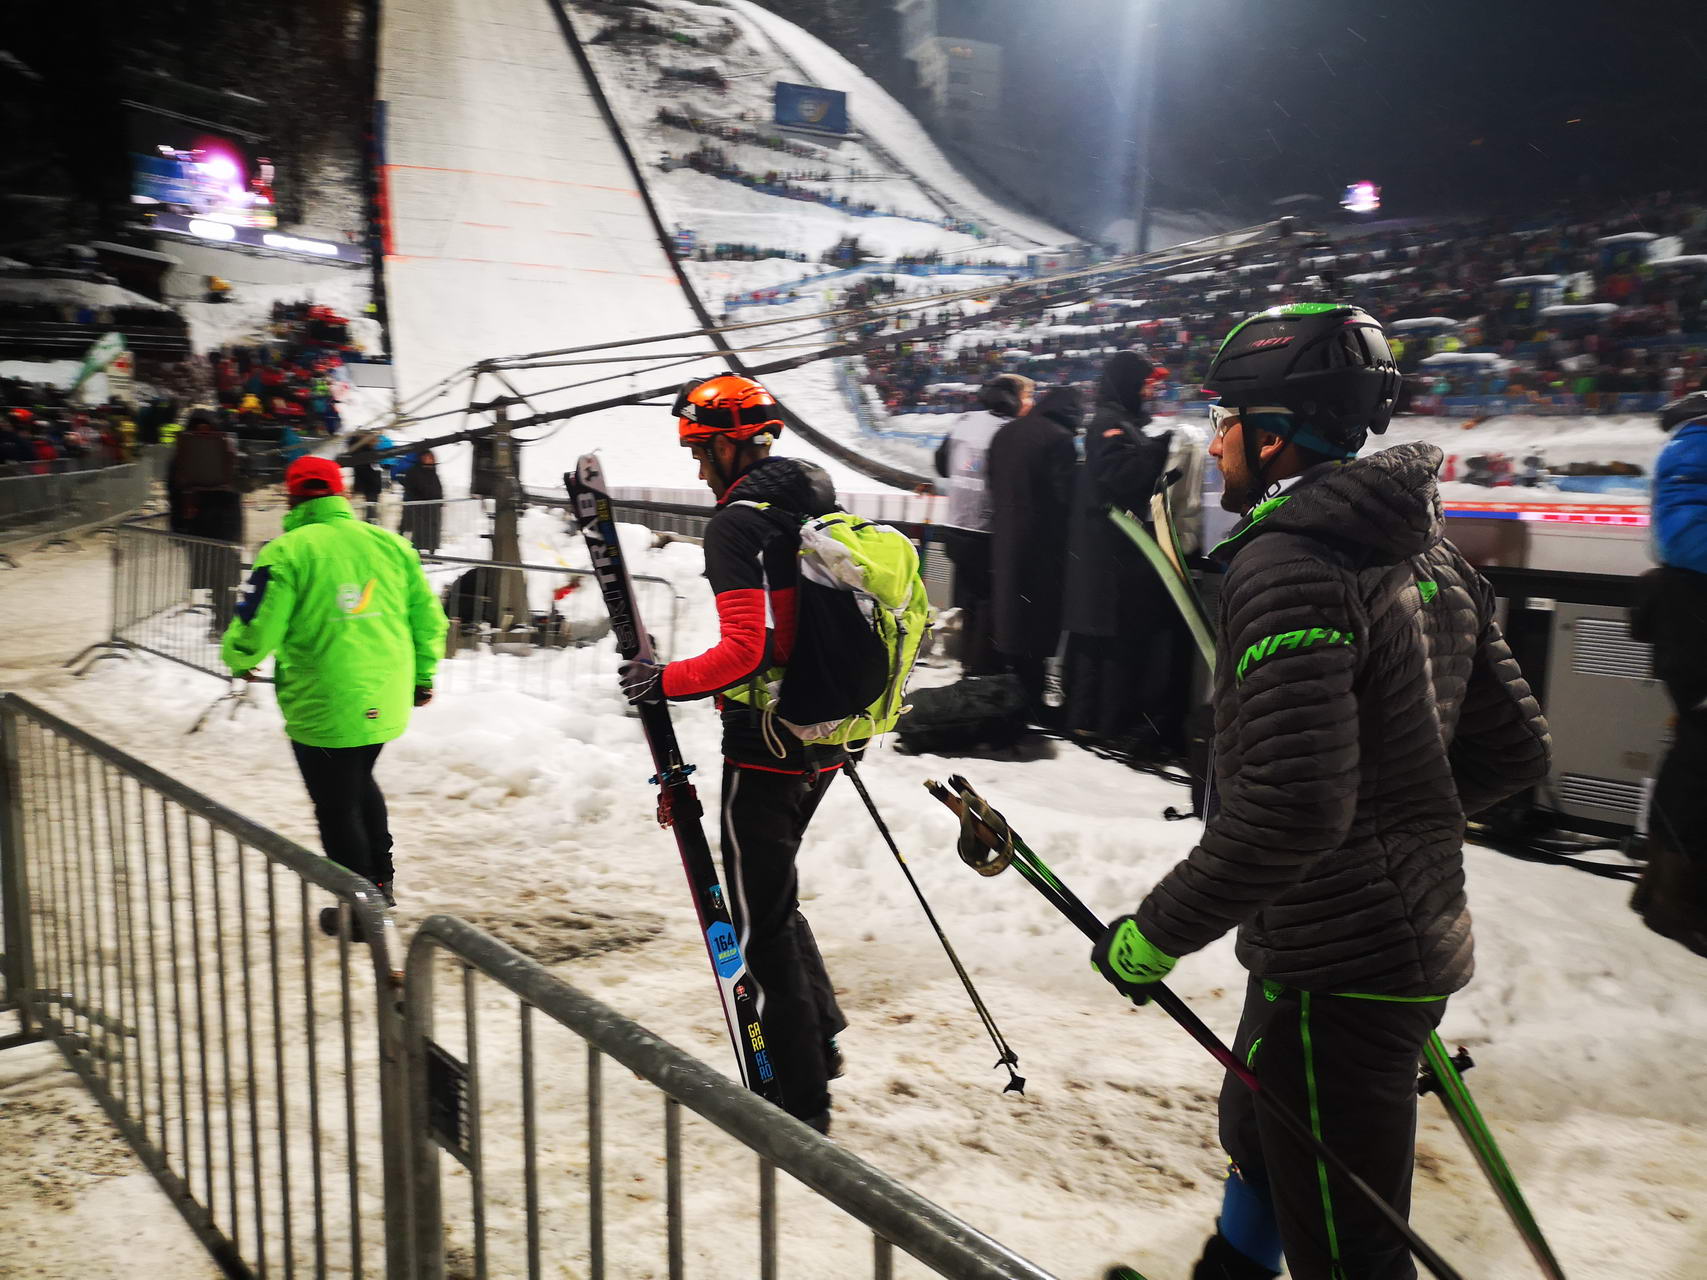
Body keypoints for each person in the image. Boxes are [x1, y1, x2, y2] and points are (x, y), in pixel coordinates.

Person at [1088, 305, 1552, 1280]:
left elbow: (1295, 806)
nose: (1212, 442)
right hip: (1377, 939)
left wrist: (1156, 933)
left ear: (1275, 434)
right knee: (1261, 1131)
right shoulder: (1428, 552)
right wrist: (1394, 816)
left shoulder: (1288, 561)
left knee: (1348, 1247)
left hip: (1343, 961)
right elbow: (1514, 747)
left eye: (1227, 419)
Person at [616, 374, 851, 1133]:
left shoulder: (737, 524)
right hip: (830, 732)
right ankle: (820, 1037)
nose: (695, 468)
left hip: (767, 743)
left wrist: (664, 680)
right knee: (768, 896)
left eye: (698, 450)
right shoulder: (816, 498)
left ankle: (801, 1106)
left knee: (759, 923)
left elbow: (745, 651)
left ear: (727, 443)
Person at [222, 456, 448, 937]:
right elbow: (428, 619)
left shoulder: (285, 553)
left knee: (336, 804)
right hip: (386, 695)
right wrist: (423, 675)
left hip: (324, 700)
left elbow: (257, 624)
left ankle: (362, 911)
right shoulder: (390, 544)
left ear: (292, 498)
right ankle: (380, 887)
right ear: (340, 495)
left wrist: (240, 658)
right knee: (358, 784)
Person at [1062, 350, 1178, 752]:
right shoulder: (1110, 424)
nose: (1152, 391)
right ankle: (1097, 723)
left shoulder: (1122, 422)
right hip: (1104, 553)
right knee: (1105, 638)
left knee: (1104, 638)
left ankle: (1094, 722)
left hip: (1110, 551)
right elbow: (1120, 476)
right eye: (1147, 384)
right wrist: (1160, 448)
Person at [1630, 391, 1707, 956]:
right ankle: (1671, 901)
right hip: (1694, 619)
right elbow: (1682, 538)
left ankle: (1667, 893)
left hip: (1690, 618)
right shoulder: (1696, 445)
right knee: (1699, 757)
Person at [987, 384, 1081, 721]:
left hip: (1005, 539)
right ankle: (1028, 704)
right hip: (1042, 545)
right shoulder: (1059, 439)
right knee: (1037, 626)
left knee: (1010, 621)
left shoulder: (1006, 433)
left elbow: (991, 484)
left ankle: (1002, 695)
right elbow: (1064, 495)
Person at [933, 374, 1033, 676]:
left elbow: (941, 463)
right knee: (991, 606)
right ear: (1012, 398)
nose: (1031, 403)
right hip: (986, 532)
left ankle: (965, 665)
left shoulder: (966, 420)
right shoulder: (1010, 431)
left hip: (956, 528)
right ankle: (979, 673)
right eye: (1028, 395)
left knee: (969, 603)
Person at [399, 450, 444, 554]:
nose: (431, 460)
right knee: (420, 533)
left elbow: (437, 488)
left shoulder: (432, 471)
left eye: (432, 457)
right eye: (428, 457)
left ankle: (432, 553)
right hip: (419, 509)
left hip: (432, 509)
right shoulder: (415, 471)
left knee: (432, 533)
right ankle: (418, 554)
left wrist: (439, 502)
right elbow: (417, 488)